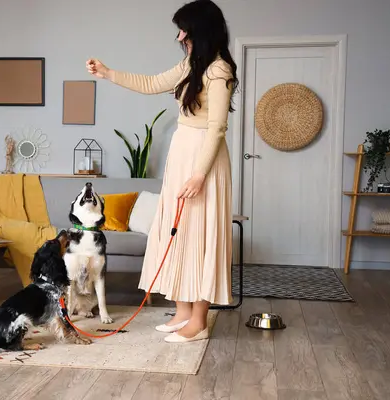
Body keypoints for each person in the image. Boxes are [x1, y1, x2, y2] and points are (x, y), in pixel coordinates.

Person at [86, 0, 238, 343]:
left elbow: (216, 128)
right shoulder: (191, 65)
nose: (180, 35)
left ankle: (198, 321)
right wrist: (109, 73)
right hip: (183, 153)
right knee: (179, 231)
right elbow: (152, 82)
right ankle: (182, 312)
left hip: (204, 160)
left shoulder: (218, 71)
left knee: (200, 236)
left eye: (184, 29)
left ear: (200, 29)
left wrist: (199, 174)